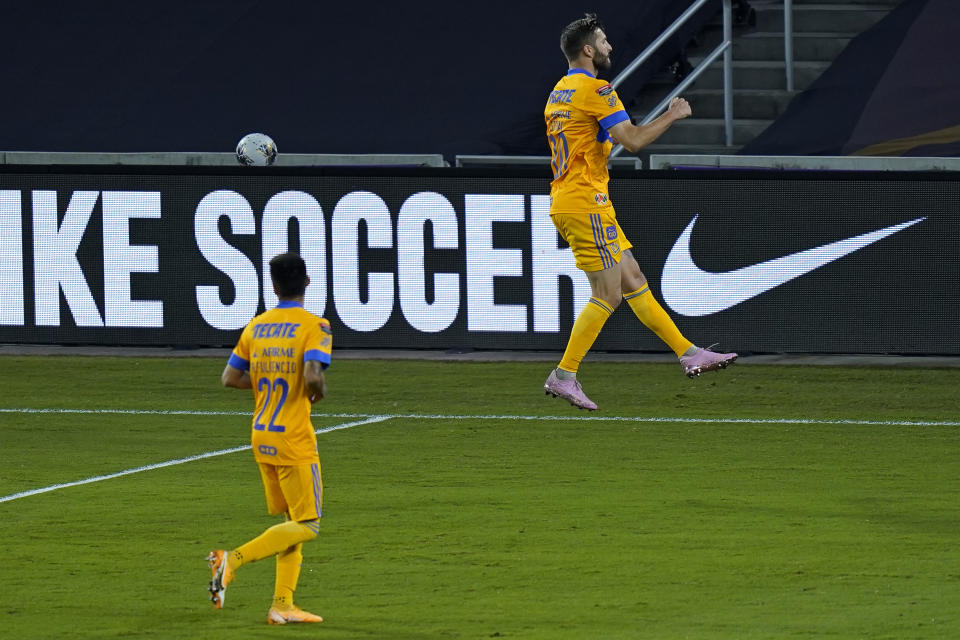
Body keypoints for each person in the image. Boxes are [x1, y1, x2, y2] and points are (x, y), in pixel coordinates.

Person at [543, 13, 736, 411]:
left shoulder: (559, 92)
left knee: (633, 280)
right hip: (585, 202)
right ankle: (564, 375)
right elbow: (630, 140)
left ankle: (688, 353)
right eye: (603, 40)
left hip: (574, 199)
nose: (610, 46)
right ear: (588, 50)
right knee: (607, 295)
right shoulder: (597, 90)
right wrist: (672, 114)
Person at [207, 252, 333, 625]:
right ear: (307, 282)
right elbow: (312, 375)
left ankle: (282, 605)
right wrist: (318, 390)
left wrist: (264, 390)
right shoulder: (316, 326)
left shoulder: (257, 326)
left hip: (262, 436)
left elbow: (229, 378)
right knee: (309, 524)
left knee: (289, 524)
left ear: (273, 286)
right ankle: (232, 560)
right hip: (294, 439)